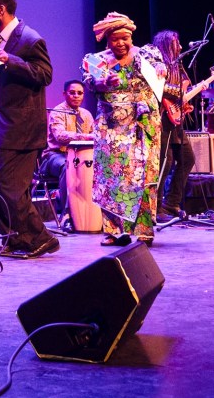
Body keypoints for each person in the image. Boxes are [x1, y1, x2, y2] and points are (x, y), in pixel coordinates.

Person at [0, 0, 59, 259]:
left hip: (22, 130)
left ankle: (40, 239)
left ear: (1, 9)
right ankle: (14, 239)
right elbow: (14, 90)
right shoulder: (2, 40)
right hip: (3, 126)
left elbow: (45, 75)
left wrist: (9, 59)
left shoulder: (30, 38)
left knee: (11, 188)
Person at [84, 13, 167, 246]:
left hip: (143, 124)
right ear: (107, 40)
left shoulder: (146, 54)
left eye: (125, 38)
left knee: (144, 178)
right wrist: (102, 83)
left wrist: (161, 68)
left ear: (131, 37)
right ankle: (114, 231)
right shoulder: (96, 60)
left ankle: (144, 230)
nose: (120, 43)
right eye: (115, 39)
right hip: (111, 127)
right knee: (112, 178)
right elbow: (91, 82)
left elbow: (160, 69)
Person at [154, 30, 198, 220]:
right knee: (165, 162)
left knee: (187, 158)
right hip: (162, 118)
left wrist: (184, 103)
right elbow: (159, 88)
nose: (180, 46)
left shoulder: (177, 65)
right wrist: (179, 96)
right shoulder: (158, 64)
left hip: (176, 120)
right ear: (166, 45)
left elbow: (184, 87)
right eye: (175, 43)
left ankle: (171, 203)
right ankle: (155, 208)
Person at [42, 80, 95, 214]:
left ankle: (91, 211)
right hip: (55, 155)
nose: (76, 96)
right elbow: (60, 136)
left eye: (79, 93)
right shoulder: (57, 112)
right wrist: (86, 136)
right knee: (68, 165)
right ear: (64, 94)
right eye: (72, 93)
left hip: (80, 156)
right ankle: (68, 212)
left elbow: (96, 136)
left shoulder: (86, 114)